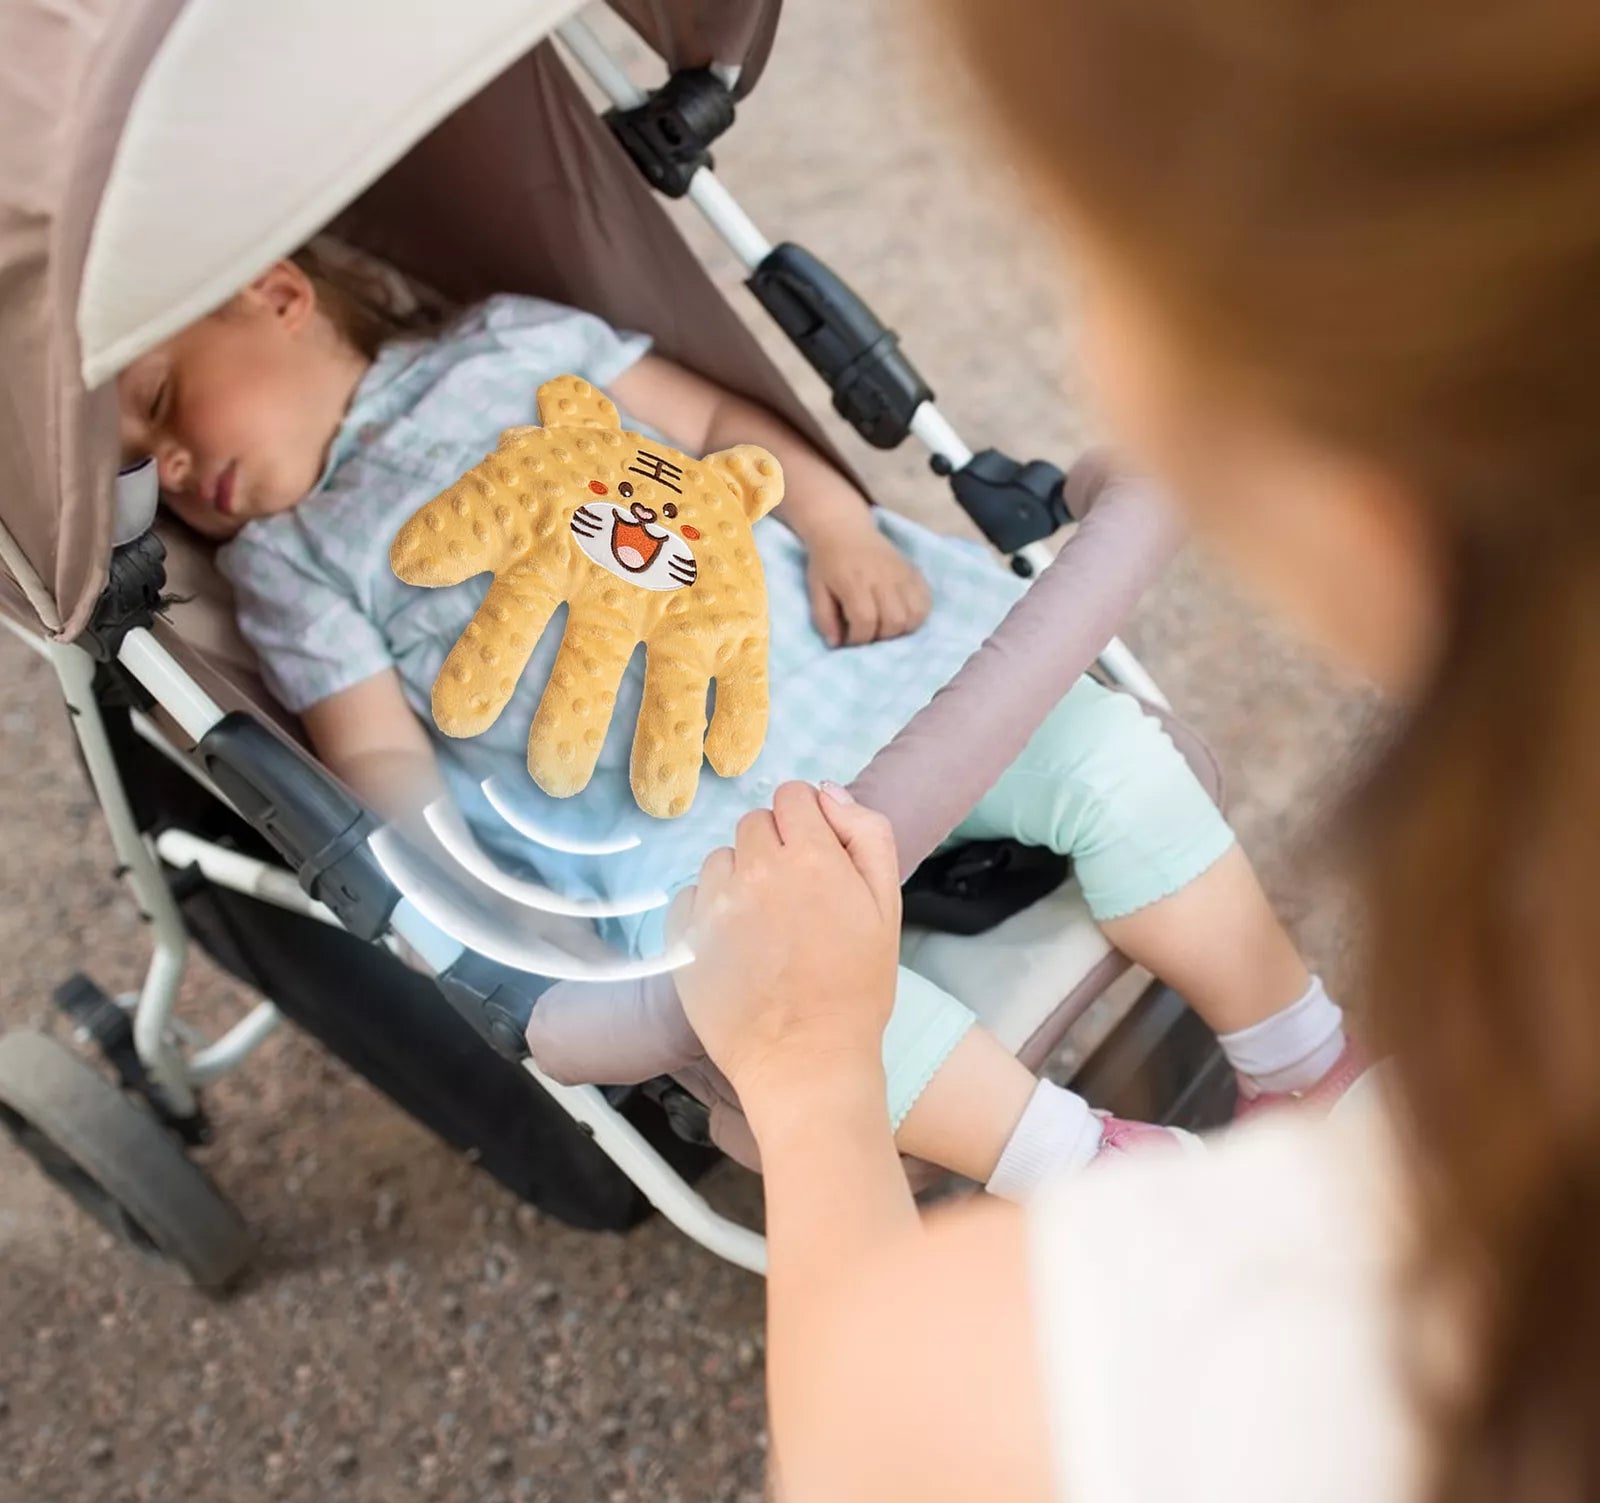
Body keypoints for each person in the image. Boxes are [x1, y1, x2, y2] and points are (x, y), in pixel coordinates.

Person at [669, 0, 1600, 1503]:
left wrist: (810, 1085)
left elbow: (869, 1444)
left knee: (1075, 783)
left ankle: (1155, 1119)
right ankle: (1285, 1059)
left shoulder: (1153, 1409)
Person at [115, 253, 1355, 1188]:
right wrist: (455, 880)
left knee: (1101, 750)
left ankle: (1301, 1059)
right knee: (790, 1021)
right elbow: (375, 745)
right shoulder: (290, 559)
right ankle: (1104, 1177)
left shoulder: (506, 344)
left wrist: (836, 522)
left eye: (164, 398)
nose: (169, 468)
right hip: (667, 815)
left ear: (274, 294)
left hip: (842, 669)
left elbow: (716, 431)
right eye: (143, 466)